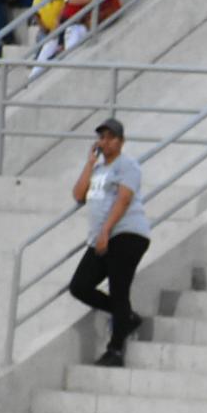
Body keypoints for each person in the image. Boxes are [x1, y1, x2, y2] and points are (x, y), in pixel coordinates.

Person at [69, 117, 151, 368]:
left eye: (110, 137)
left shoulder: (128, 166)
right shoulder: (98, 170)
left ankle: (115, 350)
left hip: (126, 234)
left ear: (121, 141)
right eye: (101, 137)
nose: (104, 141)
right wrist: (90, 162)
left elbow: (123, 200)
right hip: (102, 239)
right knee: (79, 286)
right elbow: (78, 194)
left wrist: (106, 230)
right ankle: (125, 317)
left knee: (119, 289)